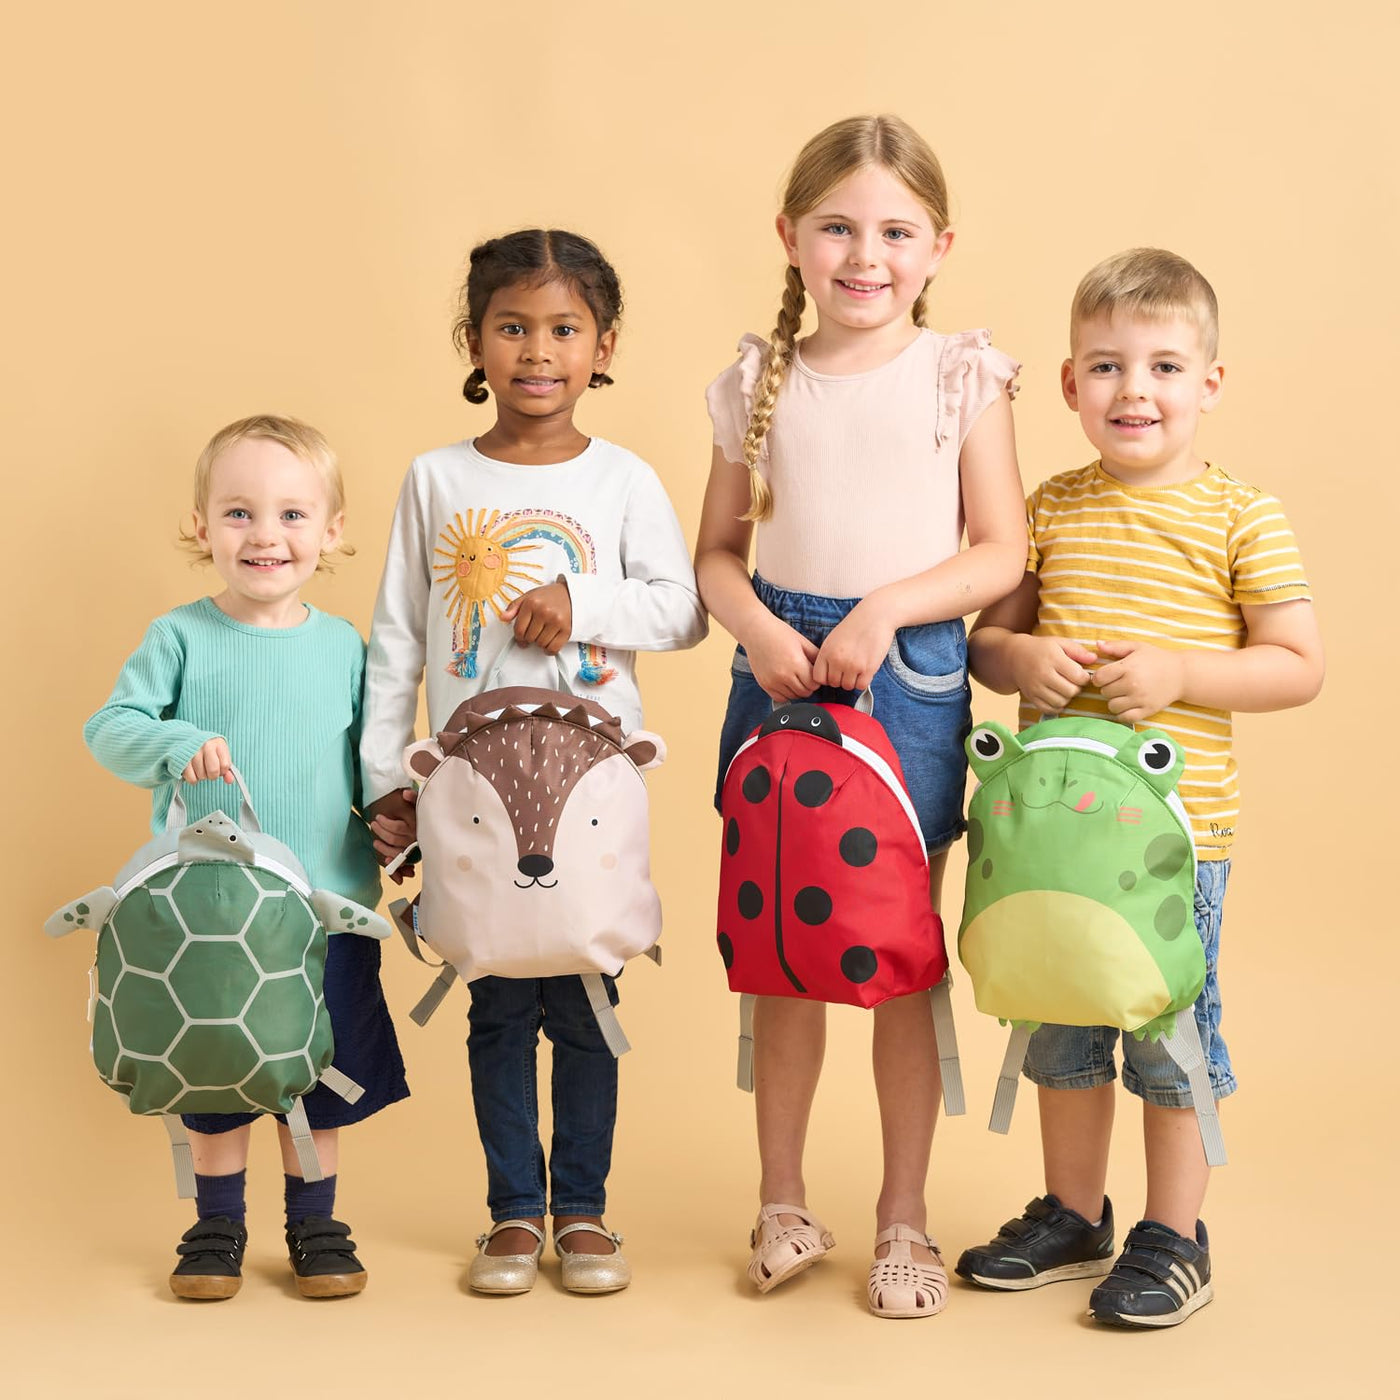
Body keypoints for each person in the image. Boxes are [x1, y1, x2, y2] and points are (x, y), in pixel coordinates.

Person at [693, 114, 1026, 1318]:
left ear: (937, 247)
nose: (862, 255)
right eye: (835, 227)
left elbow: (999, 550)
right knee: (781, 949)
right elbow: (716, 556)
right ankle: (781, 1198)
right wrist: (760, 632)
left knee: (893, 953)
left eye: (892, 231)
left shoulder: (960, 376)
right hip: (777, 673)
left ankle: (904, 1215)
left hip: (910, 671)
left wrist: (886, 608)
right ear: (789, 238)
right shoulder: (750, 383)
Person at [955, 247, 1324, 1327]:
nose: (1134, 390)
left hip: (1172, 839)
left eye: (1164, 366)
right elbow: (988, 641)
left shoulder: (1238, 516)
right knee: (1060, 1026)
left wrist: (1178, 674)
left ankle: (1174, 1233)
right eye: (1107, 366)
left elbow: (1297, 664)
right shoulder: (1046, 507)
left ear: (1207, 383)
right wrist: (1017, 662)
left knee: (1167, 1036)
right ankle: (1074, 1212)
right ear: (1069, 385)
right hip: (1049, 836)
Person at [360, 228, 706, 1295]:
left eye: (563, 328)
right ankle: (514, 1211)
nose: (537, 350)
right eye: (512, 327)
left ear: (603, 345)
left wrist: (584, 602)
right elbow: (397, 640)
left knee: (588, 993)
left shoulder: (623, 478)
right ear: (474, 340)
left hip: (590, 790)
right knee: (497, 999)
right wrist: (392, 781)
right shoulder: (435, 477)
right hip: (467, 797)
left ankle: (585, 1211)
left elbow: (683, 608)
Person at [85, 414, 408, 1301]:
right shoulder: (179, 636)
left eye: (293, 515)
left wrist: (398, 823)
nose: (266, 535)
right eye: (238, 513)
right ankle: (215, 1225)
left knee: (318, 1074)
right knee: (218, 1068)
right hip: (211, 912)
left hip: (323, 909)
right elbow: (109, 729)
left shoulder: (346, 647)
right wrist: (174, 740)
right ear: (201, 525)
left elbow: (373, 765)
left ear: (332, 530)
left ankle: (316, 1226)